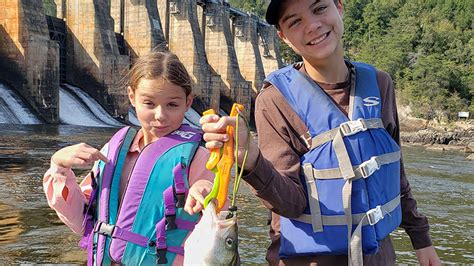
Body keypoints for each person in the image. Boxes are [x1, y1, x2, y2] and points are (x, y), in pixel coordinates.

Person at [200, 0, 441, 265]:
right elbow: (290, 204)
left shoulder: (380, 84)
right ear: (283, 37)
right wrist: (251, 159)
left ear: (339, 7)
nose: (312, 26)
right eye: (294, 21)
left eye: (319, 9)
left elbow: (394, 173)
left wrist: (422, 238)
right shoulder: (275, 101)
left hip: (378, 257)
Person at [43, 50, 215, 265]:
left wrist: (206, 191)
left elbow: (217, 217)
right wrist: (59, 167)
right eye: (149, 103)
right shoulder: (113, 150)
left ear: (188, 102)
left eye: (172, 104)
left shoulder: (199, 156)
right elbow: (80, 219)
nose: (160, 115)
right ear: (132, 97)